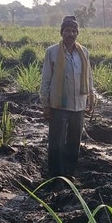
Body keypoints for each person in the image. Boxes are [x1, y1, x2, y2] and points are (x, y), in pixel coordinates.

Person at [39, 15, 96, 179]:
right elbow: (46, 78)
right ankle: (56, 175)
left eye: (73, 31)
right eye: (67, 30)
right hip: (59, 105)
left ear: (77, 33)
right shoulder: (52, 52)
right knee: (56, 141)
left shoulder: (83, 52)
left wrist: (91, 97)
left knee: (74, 142)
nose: (70, 34)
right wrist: (45, 103)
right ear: (61, 32)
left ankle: (69, 173)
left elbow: (89, 77)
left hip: (79, 104)